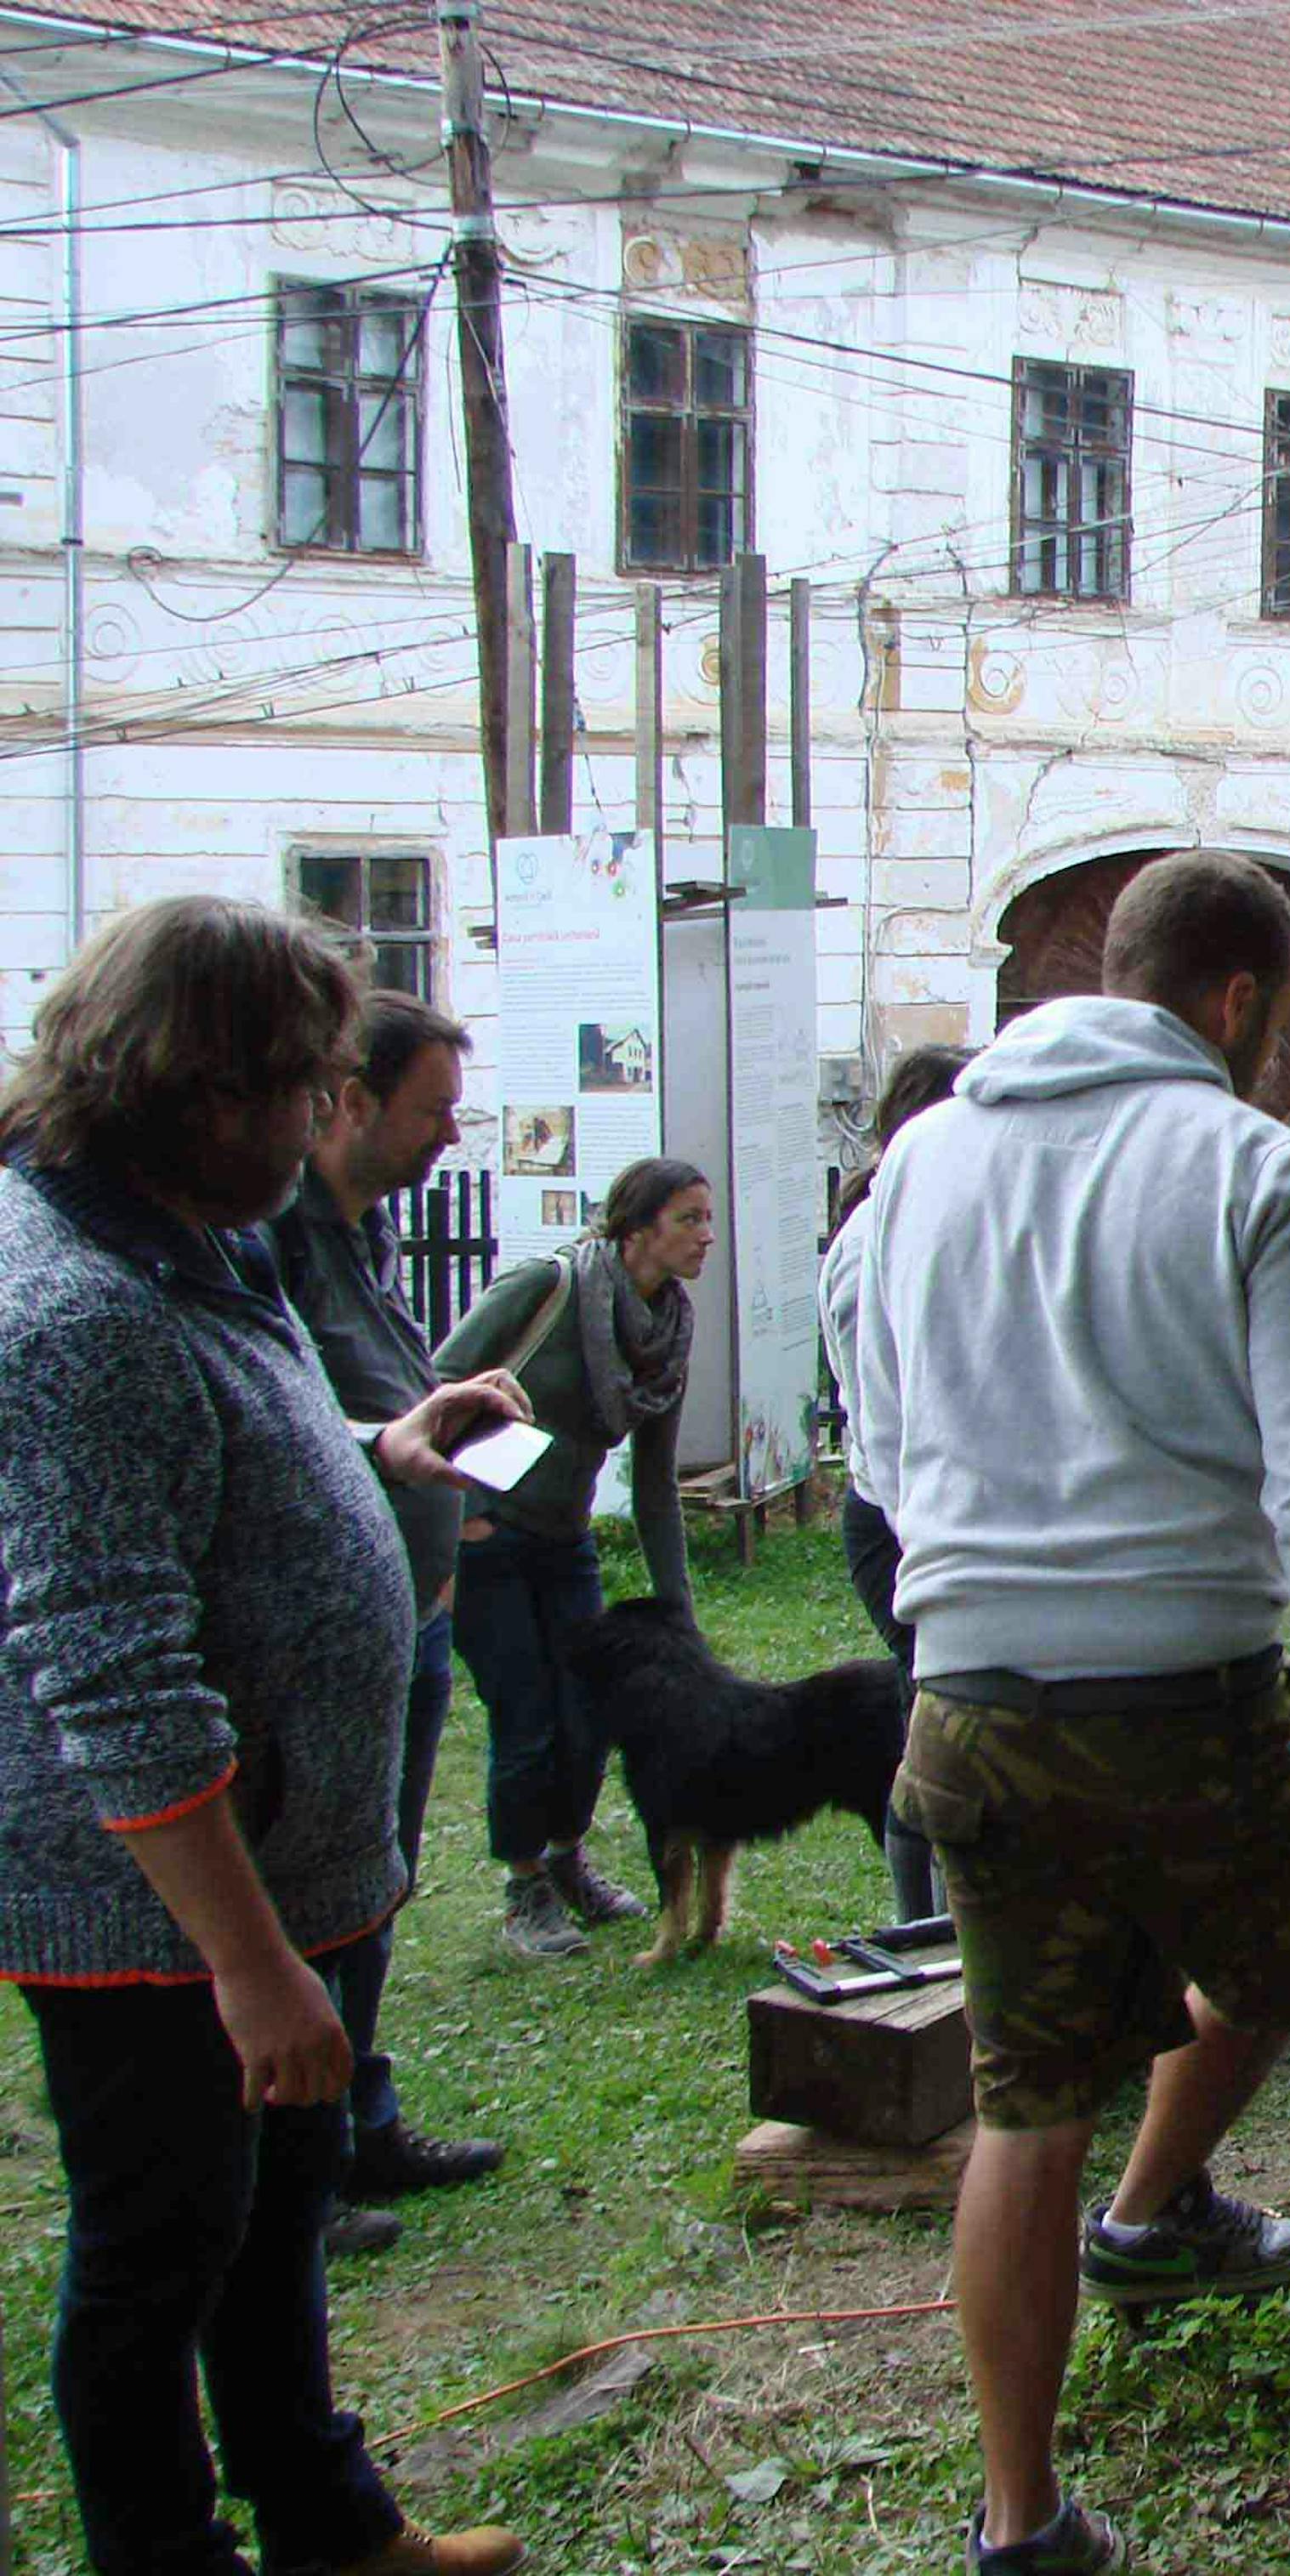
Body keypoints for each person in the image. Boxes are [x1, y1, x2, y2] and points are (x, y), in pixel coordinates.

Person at [855, 853, 1290, 2576]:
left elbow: (870, 1430)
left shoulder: (919, 1157)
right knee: (1289, 1952)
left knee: (1023, 2101)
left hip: (969, 1697)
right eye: (1288, 1019)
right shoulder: (1259, 1169)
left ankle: (1022, 2521)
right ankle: (1156, 2205)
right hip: (1184, 1700)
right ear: (1240, 1003)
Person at [0, 896, 531, 2576]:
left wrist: (388, 1443)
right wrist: (247, 1965)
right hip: (159, 1926)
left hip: (297, 1872)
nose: (325, 1122)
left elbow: (218, 1485)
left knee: (274, 2224)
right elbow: (110, 1670)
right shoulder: (76, 1315)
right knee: (157, 2260)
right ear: (199, 1086)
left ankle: (322, 2522)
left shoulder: (188, 1240)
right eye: (303, 1088)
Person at [264, 991, 508, 2252]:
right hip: (320, 1645)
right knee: (324, 1899)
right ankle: (305, 2171)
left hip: (405, 1617)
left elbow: (383, 1406)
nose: (448, 1139)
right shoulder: (273, 1243)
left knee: (379, 1883)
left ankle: (362, 2122)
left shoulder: (363, 1233)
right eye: (433, 1111)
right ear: (347, 1103)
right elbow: (297, 1442)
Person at [435, 1158, 713, 1960]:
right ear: (637, 1231)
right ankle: (525, 1891)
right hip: (489, 1536)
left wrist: (677, 1610)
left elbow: (655, 1480)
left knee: (592, 1712)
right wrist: (465, 1517)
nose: (705, 1237)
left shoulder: (666, 1331)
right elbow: (440, 1383)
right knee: (525, 1714)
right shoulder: (549, 1288)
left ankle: (567, 1863)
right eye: (689, 1219)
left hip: (566, 1536)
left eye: (707, 1219)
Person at [821, 1042, 971, 1918]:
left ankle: (946, 1918)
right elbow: (882, 1422)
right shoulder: (869, 1241)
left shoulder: (940, 1222)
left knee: (948, 1719)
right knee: (939, 1720)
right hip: (899, 1521)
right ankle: (923, 1921)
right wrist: (939, 1542)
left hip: (939, 1516)